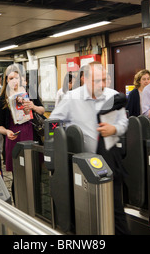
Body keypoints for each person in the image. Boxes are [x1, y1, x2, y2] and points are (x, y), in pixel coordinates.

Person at [50, 61, 130, 235]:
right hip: (81, 165)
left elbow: (124, 123)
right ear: (84, 79)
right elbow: (53, 124)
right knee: (83, 209)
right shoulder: (71, 98)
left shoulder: (113, 95)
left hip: (109, 161)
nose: (102, 85)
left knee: (115, 209)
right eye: (96, 81)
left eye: (104, 80)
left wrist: (114, 129)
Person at [0, 64, 45, 197]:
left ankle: (36, 204)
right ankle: (19, 203)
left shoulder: (30, 92)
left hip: (32, 133)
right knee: (18, 175)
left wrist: (33, 106)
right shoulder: (2, 99)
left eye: (16, 77)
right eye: (10, 78)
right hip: (14, 137)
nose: (13, 81)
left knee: (35, 173)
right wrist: (6, 132)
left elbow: (42, 110)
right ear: (6, 80)